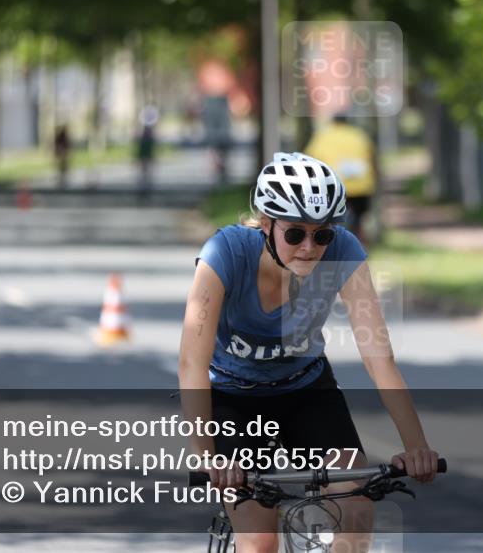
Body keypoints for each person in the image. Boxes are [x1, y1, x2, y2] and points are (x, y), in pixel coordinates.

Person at [178, 152, 439, 553]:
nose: (309, 246)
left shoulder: (344, 253)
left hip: (306, 390)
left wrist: (416, 446)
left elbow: (378, 358)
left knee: (356, 508)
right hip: (232, 398)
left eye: (322, 234)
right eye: (295, 233)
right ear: (266, 225)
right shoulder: (225, 253)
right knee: (261, 541)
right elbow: (192, 364)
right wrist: (209, 457)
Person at [305, 114, 377, 245]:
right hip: (361, 187)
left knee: (330, 219)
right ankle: (359, 246)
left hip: (333, 187)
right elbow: (372, 156)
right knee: (358, 220)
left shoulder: (323, 137)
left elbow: (310, 161)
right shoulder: (359, 135)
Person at [135, 106, 159, 194]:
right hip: (143, 152)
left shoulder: (151, 134)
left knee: (148, 169)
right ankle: (142, 186)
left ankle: (147, 186)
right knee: (143, 170)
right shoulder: (142, 133)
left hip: (148, 152)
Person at [53, 125, 70, 189]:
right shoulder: (60, 137)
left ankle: (63, 177)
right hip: (62, 154)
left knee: (63, 167)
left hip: (63, 154)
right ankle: (62, 177)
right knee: (62, 167)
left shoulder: (63, 137)